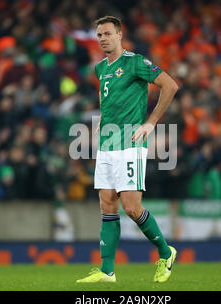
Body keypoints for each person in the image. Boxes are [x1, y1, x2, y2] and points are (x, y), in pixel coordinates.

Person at [76, 16, 179, 284]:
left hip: (131, 144)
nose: (102, 39)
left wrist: (151, 122)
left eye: (108, 34)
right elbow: (105, 96)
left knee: (132, 208)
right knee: (107, 204)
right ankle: (107, 271)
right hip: (108, 144)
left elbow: (170, 86)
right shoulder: (100, 68)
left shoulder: (135, 62)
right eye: (99, 35)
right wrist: (103, 121)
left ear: (120, 35)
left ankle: (166, 253)